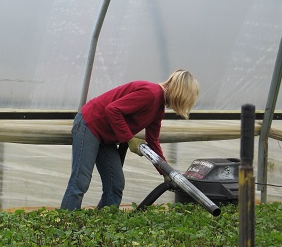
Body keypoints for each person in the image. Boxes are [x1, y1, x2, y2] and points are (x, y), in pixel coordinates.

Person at [60, 69, 199, 211]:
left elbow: (153, 141)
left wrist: (165, 171)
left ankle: (102, 223)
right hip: (90, 124)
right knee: (80, 181)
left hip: (106, 136)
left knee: (116, 184)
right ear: (180, 93)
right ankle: (67, 224)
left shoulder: (158, 108)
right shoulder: (150, 94)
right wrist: (129, 139)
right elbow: (112, 110)